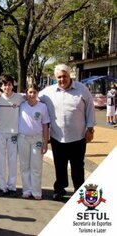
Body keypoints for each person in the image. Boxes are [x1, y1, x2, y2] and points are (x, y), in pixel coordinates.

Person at [39, 64, 96, 201]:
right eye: (59, 77)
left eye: (64, 76)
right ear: (55, 78)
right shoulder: (48, 92)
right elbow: (31, 97)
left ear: (70, 76)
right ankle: (60, 189)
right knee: (60, 165)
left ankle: (79, 189)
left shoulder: (82, 90)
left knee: (77, 165)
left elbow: (90, 109)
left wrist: (90, 129)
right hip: (57, 136)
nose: (62, 79)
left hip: (78, 136)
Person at [18, 84, 50, 200]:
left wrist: (45, 142)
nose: (32, 95)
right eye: (30, 92)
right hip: (23, 138)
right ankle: (26, 190)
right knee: (24, 166)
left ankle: (36, 191)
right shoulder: (21, 105)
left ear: (37, 93)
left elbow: (45, 125)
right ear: (26, 93)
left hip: (37, 139)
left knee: (36, 166)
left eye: (34, 92)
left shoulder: (43, 107)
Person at [0, 74, 25, 197]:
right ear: (1, 86)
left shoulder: (19, 98)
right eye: (5, 85)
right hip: (0, 133)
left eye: (9, 84)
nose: (7, 87)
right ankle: (1, 187)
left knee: (12, 161)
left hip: (14, 133)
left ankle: (12, 186)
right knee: (0, 161)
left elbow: (34, 96)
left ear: (13, 85)